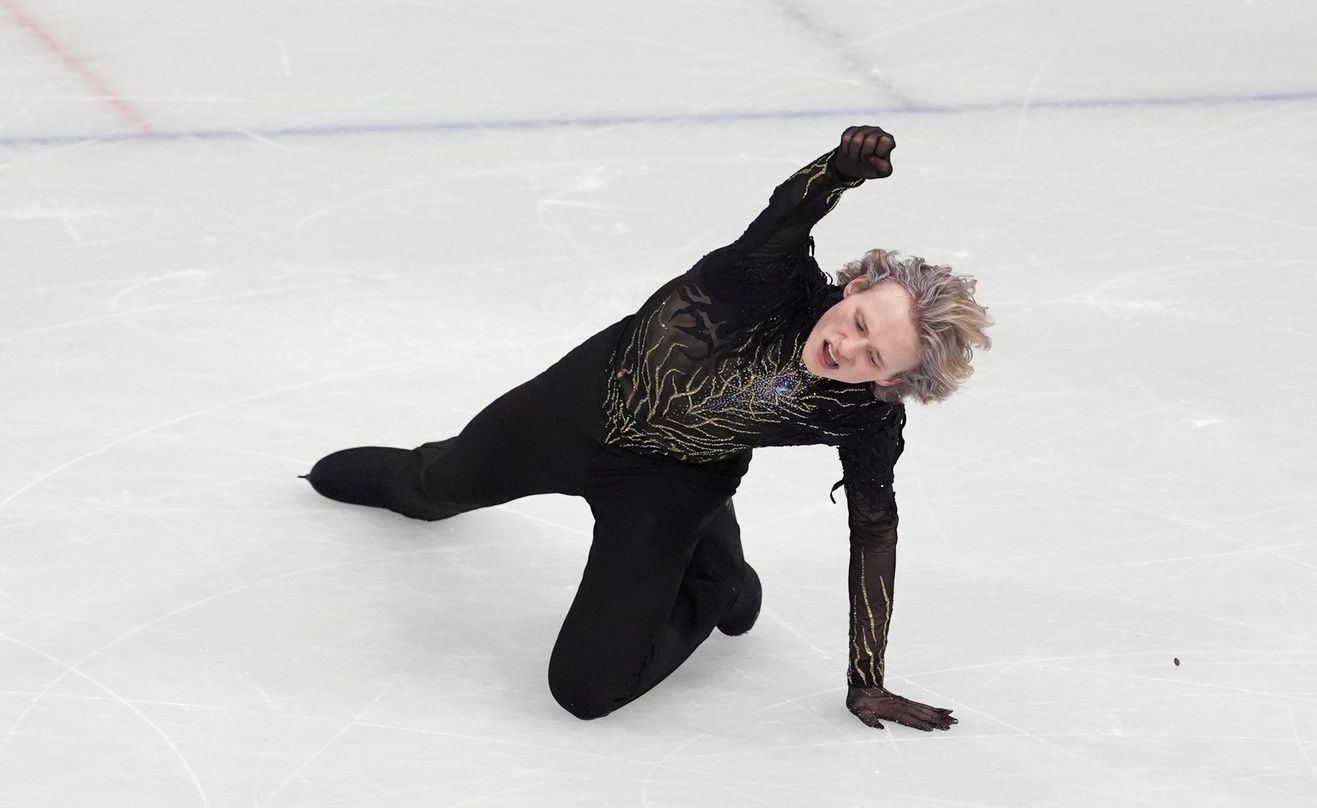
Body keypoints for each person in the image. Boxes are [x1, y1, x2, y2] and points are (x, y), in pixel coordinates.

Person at [302, 125, 992, 731]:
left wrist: (864, 678)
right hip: (569, 409)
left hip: (673, 481)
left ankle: (713, 582)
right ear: (854, 289)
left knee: (584, 691)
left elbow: (873, 533)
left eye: (874, 358)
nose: (848, 347)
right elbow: (792, 207)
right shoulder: (763, 275)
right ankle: (413, 479)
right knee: (432, 485)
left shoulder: (867, 415)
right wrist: (839, 170)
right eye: (861, 323)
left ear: (890, 382)